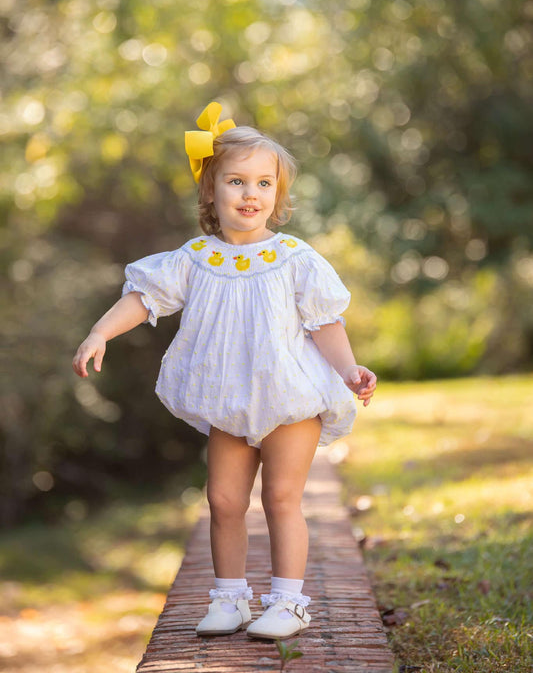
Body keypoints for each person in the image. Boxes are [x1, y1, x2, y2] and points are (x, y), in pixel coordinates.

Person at [72, 101, 377, 641]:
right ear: (210, 190)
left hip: (290, 396)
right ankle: (230, 598)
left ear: (277, 195)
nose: (250, 194)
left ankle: (288, 602)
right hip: (228, 399)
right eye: (236, 181)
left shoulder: (294, 257)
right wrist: (100, 331)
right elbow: (143, 298)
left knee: (281, 498)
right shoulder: (193, 258)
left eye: (264, 183)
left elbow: (324, 321)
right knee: (224, 500)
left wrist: (350, 370)